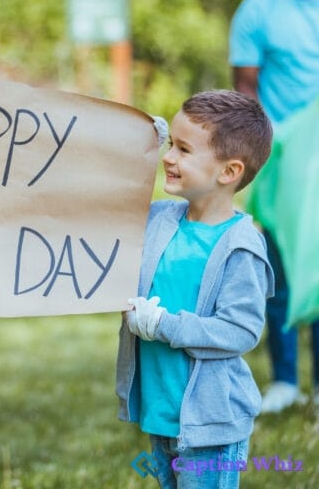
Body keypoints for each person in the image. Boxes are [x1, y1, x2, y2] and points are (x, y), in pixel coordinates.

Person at [116, 90, 274, 489]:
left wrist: (164, 325)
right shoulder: (159, 219)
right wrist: (134, 142)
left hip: (212, 424)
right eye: (170, 144)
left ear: (228, 172)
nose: (168, 157)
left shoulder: (241, 246)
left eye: (184, 149)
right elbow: (110, 206)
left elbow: (240, 331)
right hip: (162, 410)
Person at [229, 0, 319, 413]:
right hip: (283, 156)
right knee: (280, 267)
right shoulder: (258, 11)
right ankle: (285, 380)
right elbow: (247, 93)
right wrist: (266, 149)